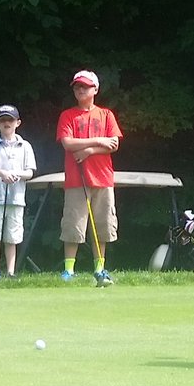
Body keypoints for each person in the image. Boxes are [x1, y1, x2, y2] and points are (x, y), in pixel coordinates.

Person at [56, 70, 122, 285]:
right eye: (77, 86)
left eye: (85, 86)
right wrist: (98, 141)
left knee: (102, 226)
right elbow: (68, 143)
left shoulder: (106, 115)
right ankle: (69, 271)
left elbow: (114, 144)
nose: (80, 90)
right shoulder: (67, 115)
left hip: (102, 178)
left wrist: (90, 151)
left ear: (95, 89)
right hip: (76, 179)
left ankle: (99, 269)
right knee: (73, 225)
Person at [0, 105, 36, 279]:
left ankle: (11, 272)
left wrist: (15, 175)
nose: (7, 123)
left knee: (12, 237)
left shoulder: (25, 146)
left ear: (17, 123)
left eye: (10, 119)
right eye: (3, 120)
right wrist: (3, 173)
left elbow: (29, 172)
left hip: (17, 198)